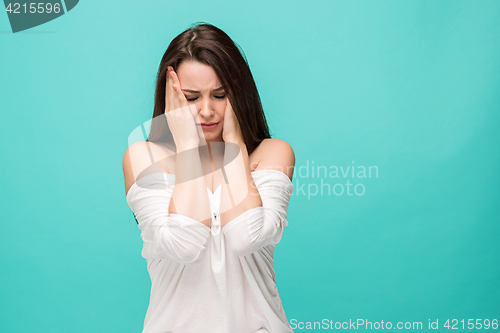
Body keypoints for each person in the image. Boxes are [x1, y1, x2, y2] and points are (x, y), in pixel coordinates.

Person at [122, 22, 295, 333]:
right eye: (191, 97)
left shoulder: (271, 154)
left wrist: (235, 147)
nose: (206, 110)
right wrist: (188, 148)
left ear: (239, 93)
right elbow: (182, 246)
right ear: (171, 97)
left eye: (220, 95)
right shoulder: (144, 158)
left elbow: (247, 237)